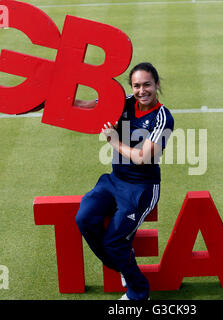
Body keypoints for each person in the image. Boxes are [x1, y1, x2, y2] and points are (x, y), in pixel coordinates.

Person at [75, 62, 174, 300]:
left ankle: (139, 293)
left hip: (142, 188)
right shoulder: (125, 101)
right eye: (137, 85)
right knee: (84, 218)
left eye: (147, 84)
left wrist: (115, 142)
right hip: (114, 180)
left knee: (115, 240)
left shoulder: (163, 117)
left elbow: (143, 157)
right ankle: (123, 266)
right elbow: (88, 106)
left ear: (157, 84)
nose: (142, 91)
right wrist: (52, 100)